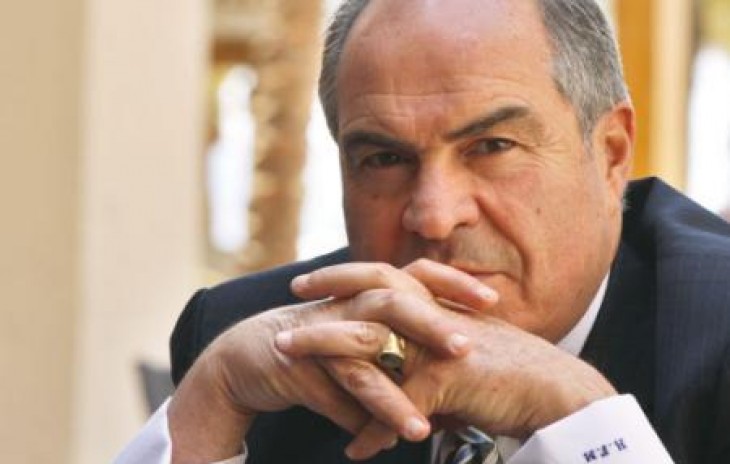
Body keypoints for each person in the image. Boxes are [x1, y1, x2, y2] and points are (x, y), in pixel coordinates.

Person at [116, 0, 730, 463]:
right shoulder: (261, 353)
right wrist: (209, 406)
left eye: (492, 146)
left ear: (612, 154)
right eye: (385, 159)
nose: (433, 216)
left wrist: (582, 418)